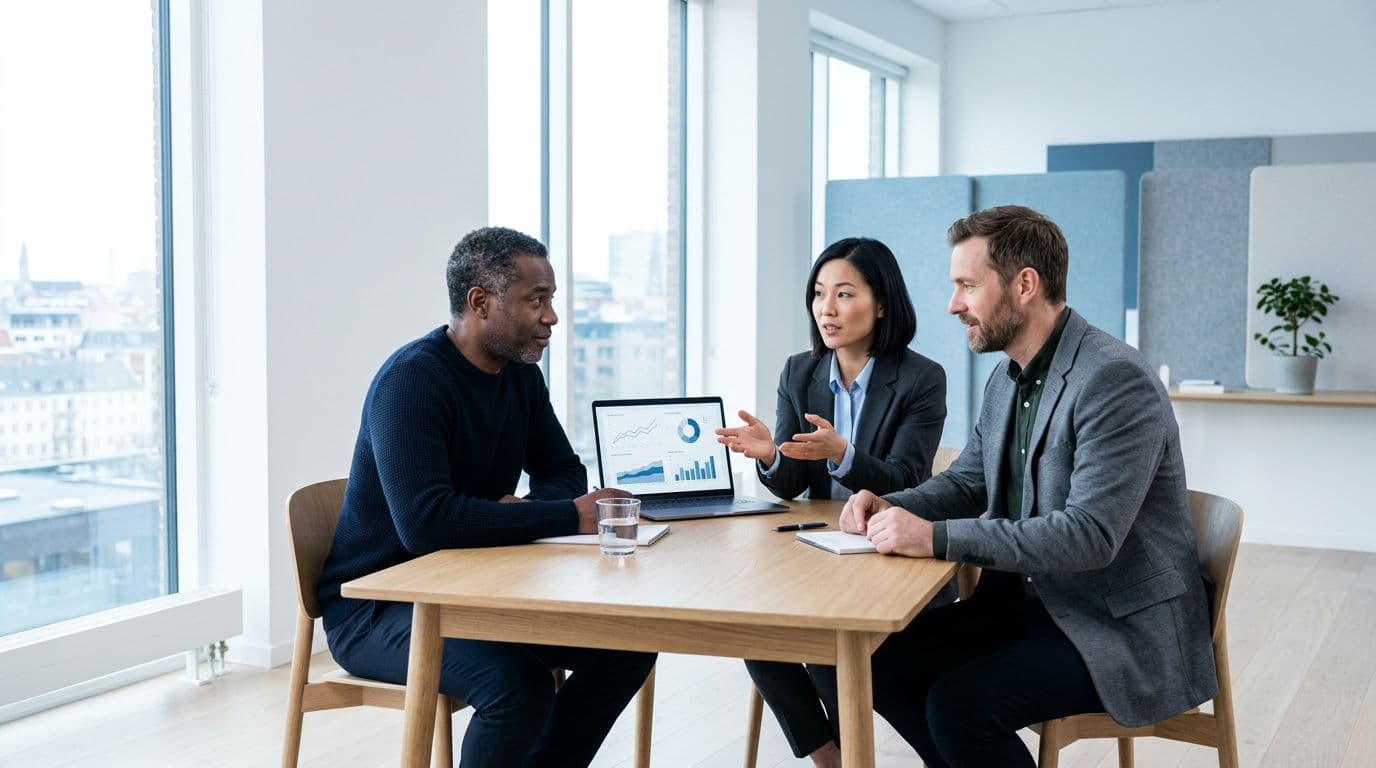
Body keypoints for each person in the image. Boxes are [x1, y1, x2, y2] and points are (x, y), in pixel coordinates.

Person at [835, 205, 1218, 767]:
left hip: (1114, 626)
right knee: (880, 662)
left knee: (959, 706)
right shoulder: (1009, 374)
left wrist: (935, 538)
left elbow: (1089, 536)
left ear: (1024, 285)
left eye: (968, 285)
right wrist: (888, 504)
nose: (953, 304)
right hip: (1033, 603)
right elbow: (969, 480)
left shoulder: (1114, 380)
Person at [316, 226, 656, 768]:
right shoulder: (411, 381)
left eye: (551, 300)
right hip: (380, 608)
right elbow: (426, 524)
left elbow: (563, 469)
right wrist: (564, 516)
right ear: (480, 303)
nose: (551, 317)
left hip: (475, 587)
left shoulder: (520, 377)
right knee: (517, 685)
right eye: (536, 300)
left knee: (627, 644)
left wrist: (529, 512)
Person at [715, 236, 948, 768]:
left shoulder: (921, 378)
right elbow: (791, 483)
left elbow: (908, 480)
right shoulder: (799, 372)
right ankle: (831, 757)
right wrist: (770, 455)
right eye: (820, 293)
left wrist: (844, 454)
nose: (827, 309)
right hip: (820, 553)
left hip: (891, 553)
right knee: (751, 625)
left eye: (844, 294)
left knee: (827, 640)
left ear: (881, 303)